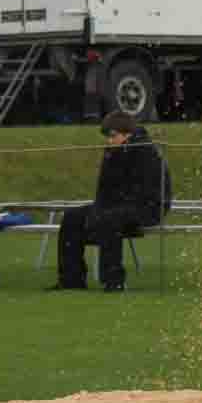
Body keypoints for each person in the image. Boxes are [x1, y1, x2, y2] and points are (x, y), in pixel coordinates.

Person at [49, 111, 166, 292]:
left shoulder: (147, 152)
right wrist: (99, 209)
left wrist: (107, 211)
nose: (109, 141)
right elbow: (105, 187)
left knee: (109, 218)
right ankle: (71, 280)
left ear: (127, 133)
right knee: (72, 217)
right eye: (108, 137)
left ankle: (113, 281)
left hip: (148, 207)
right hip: (116, 206)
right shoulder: (112, 151)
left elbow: (148, 190)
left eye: (113, 136)